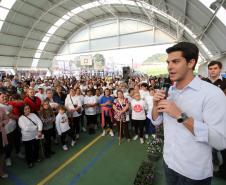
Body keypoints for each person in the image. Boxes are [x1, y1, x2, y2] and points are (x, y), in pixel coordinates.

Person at [151, 42, 226, 185]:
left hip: (193, 173)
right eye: (168, 62)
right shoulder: (169, 92)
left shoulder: (212, 94)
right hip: (169, 163)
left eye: (176, 61)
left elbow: (220, 141)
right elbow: (156, 121)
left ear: (191, 62)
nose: (169, 66)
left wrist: (180, 116)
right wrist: (155, 106)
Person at [203, 60, 226, 179]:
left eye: (215, 68)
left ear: (220, 69)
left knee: (222, 144)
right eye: (210, 69)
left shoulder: (225, 83)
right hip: (205, 118)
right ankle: (211, 164)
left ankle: (223, 170)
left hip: (221, 118)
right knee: (206, 143)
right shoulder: (203, 82)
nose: (212, 71)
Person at [0, 108, 9, 178]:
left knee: (2, 154)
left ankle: (1, 171)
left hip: (1, 134)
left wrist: (2, 123)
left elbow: (7, 119)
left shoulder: (1, 109)